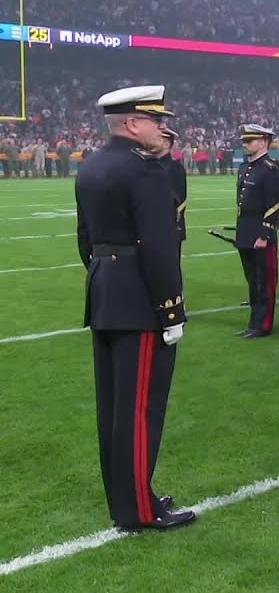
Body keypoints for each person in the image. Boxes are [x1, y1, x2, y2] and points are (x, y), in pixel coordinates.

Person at [75, 84, 195, 531]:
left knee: (114, 409)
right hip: (141, 302)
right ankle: (140, 511)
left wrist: (106, 277)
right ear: (131, 123)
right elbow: (161, 249)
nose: (162, 126)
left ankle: (127, 501)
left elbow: (85, 239)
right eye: (155, 120)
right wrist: (171, 310)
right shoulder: (144, 171)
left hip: (105, 293)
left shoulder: (91, 166)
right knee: (142, 410)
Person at [234, 123, 279, 338]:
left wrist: (265, 234)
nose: (245, 144)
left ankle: (263, 324)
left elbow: (275, 204)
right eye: (244, 141)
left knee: (264, 281)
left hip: (260, 233)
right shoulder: (245, 168)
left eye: (249, 140)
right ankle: (253, 323)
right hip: (245, 230)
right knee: (252, 281)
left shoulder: (271, 168)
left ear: (263, 142)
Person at [156, 128, 187, 258]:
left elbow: (180, 201)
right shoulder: (150, 165)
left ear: (167, 144)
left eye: (158, 139)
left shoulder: (174, 168)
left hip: (169, 228)